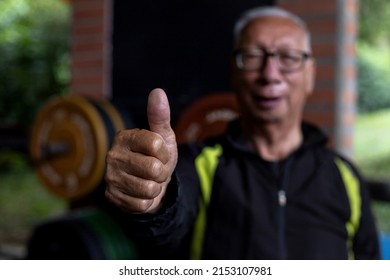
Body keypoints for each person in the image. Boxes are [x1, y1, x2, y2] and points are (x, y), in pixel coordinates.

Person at [105, 6, 381, 259]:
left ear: (310, 74)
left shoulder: (345, 177)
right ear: (233, 73)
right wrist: (155, 199)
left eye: (288, 57)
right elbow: (167, 225)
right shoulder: (201, 166)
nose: (270, 74)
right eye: (252, 56)